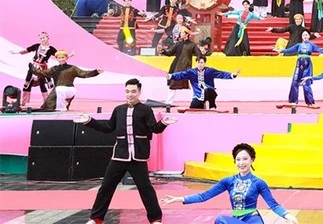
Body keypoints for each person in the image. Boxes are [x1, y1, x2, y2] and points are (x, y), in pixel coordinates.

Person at [77, 78, 175, 224]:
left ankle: (155, 219)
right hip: (120, 156)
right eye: (127, 91)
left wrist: (164, 123)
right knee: (106, 187)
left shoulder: (146, 110)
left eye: (133, 91)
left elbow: (155, 129)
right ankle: (96, 218)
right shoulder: (119, 110)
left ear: (139, 92)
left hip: (138, 157)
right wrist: (89, 121)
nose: (130, 94)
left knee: (145, 189)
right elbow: (108, 128)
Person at [161, 142, 298, 223]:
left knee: (221, 219)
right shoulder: (228, 181)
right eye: (238, 159)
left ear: (252, 160)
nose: (241, 163)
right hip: (236, 221)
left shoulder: (258, 183)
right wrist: (179, 199)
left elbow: (273, 205)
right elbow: (204, 196)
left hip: (253, 220)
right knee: (220, 220)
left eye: (245, 159)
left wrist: (288, 216)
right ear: (234, 161)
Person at [29, 51, 102, 111]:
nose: (61, 59)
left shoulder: (72, 68)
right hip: (57, 90)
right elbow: (42, 73)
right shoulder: (54, 69)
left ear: (66, 58)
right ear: (57, 59)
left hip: (70, 89)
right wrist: (32, 68)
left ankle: (61, 108)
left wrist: (95, 72)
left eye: (63, 57)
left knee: (59, 89)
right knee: (48, 105)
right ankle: (64, 103)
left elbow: (84, 73)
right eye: (59, 58)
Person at [280, 31, 323, 107]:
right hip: (299, 64)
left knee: (306, 83)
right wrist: (281, 50)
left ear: (309, 36)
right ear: (302, 37)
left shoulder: (312, 45)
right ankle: (293, 101)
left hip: (307, 65)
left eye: (306, 35)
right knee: (295, 82)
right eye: (303, 35)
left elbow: (320, 50)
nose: (305, 36)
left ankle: (310, 103)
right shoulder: (299, 45)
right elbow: (289, 50)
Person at [167, 56, 239, 110]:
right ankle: (201, 105)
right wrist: (171, 76)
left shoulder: (210, 71)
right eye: (198, 62)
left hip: (208, 93)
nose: (200, 64)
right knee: (194, 107)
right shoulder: (191, 72)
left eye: (201, 63)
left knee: (210, 90)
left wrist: (232, 75)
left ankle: (212, 106)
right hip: (198, 95)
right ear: (196, 63)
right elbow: (181, 74)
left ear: (204, 63)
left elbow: (221, 74)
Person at [9, 31, 58, 107]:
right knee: (27, 83)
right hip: (33, 67)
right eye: (41, 38)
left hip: (42, 68)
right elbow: (27, 50)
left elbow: (59, 55)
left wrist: (68, 56)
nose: (42, 39)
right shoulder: (37, 46)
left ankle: (46, 101)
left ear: (47, 38)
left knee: (42, 84)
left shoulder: (51, 49)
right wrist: (16, 52)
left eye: (44, 38)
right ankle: (24, 101)